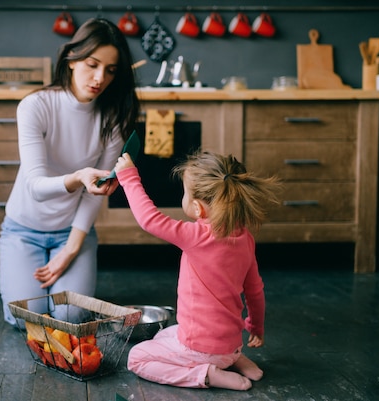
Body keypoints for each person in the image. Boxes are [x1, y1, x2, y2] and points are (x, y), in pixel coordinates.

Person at [0, 18, 140, 327]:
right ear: (72, 59)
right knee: (25, 319)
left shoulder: (113, 119)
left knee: (71, 315)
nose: (100, 77)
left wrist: (71, 248)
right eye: (92, 64)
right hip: (23, 230)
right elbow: (35, 186)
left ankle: (63, 276)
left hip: (73, 232)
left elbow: (95, 194)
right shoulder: (35, 106)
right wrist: (78, 178)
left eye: (111, 70)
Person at [114, 150, 281, 391]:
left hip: (201, 350)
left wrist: (129, 177)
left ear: (197, 208)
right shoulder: (245, 238)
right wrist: (256, 327)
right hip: (232, 344)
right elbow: (255, 290)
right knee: (164, 335)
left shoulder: (197, 236)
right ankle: (234, 360)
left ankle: (207, 375)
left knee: (137, 358)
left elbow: (149, 219)